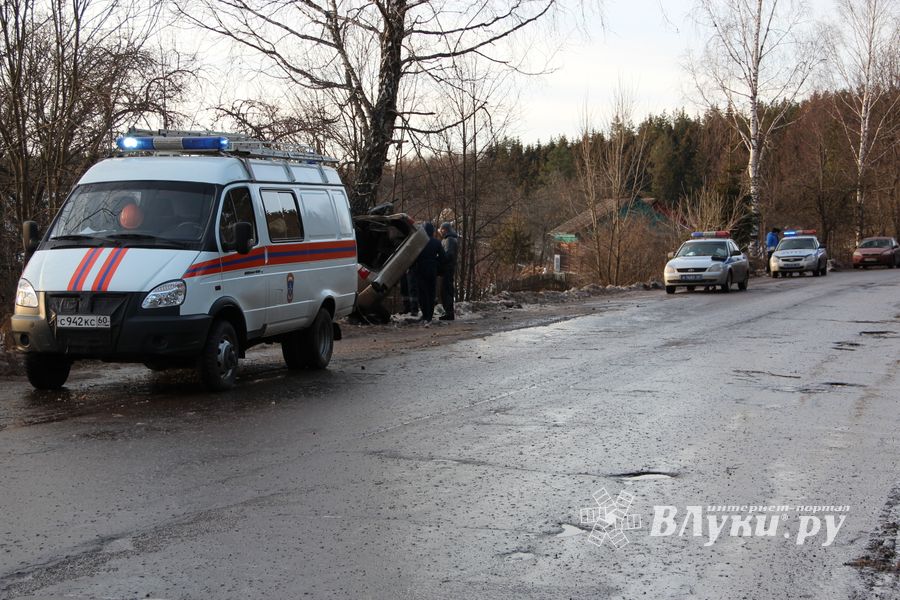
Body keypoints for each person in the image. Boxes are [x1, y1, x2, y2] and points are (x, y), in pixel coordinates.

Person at [414, 222, 445, 325]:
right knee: (431, 293)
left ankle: (425, 315)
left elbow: (413, 256)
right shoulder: (437, 242)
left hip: (421, 269)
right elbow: (443, 257)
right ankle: (429, 316)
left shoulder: (420, 242)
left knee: (422, 293)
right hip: (432, 270)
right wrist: (436, 264)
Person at [438, 221, 459, 320]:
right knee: (446, 290)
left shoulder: (449, 240)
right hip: (448, 268)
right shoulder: (451, 239)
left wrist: (439, 258)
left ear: (445, 230)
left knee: (446, 290)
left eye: (441, 229)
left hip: (447, 268)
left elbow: (448, 254)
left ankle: (449, 313)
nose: (440, 231)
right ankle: (448, 312)